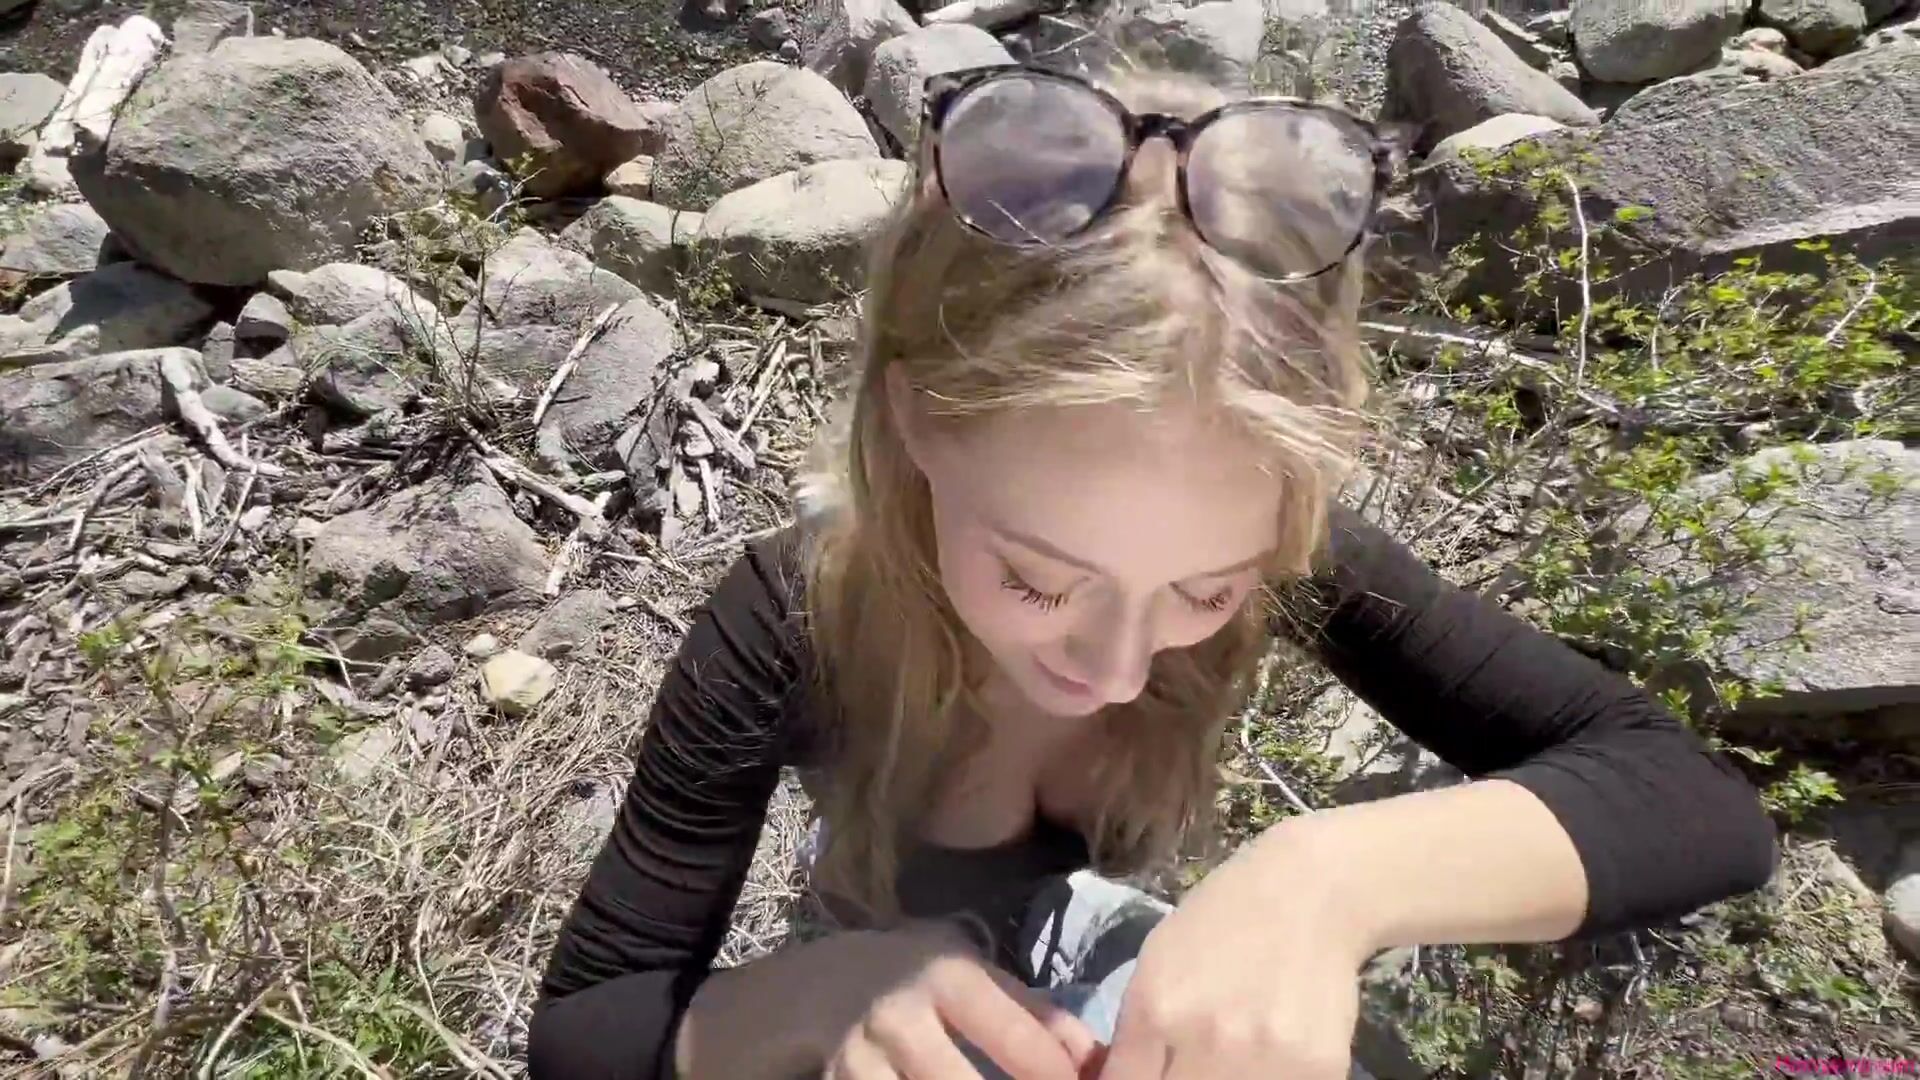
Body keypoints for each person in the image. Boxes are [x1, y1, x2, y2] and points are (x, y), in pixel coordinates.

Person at [528, 64, 1778, 1080]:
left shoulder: (1298, 550)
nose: (1117, 668)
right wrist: (826, 993)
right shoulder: (795, 616)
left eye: (1206, 592)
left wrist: (1326, 881)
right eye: (1038, 580)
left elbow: (1687, 800)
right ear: (913, 423)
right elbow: (590, 1027)